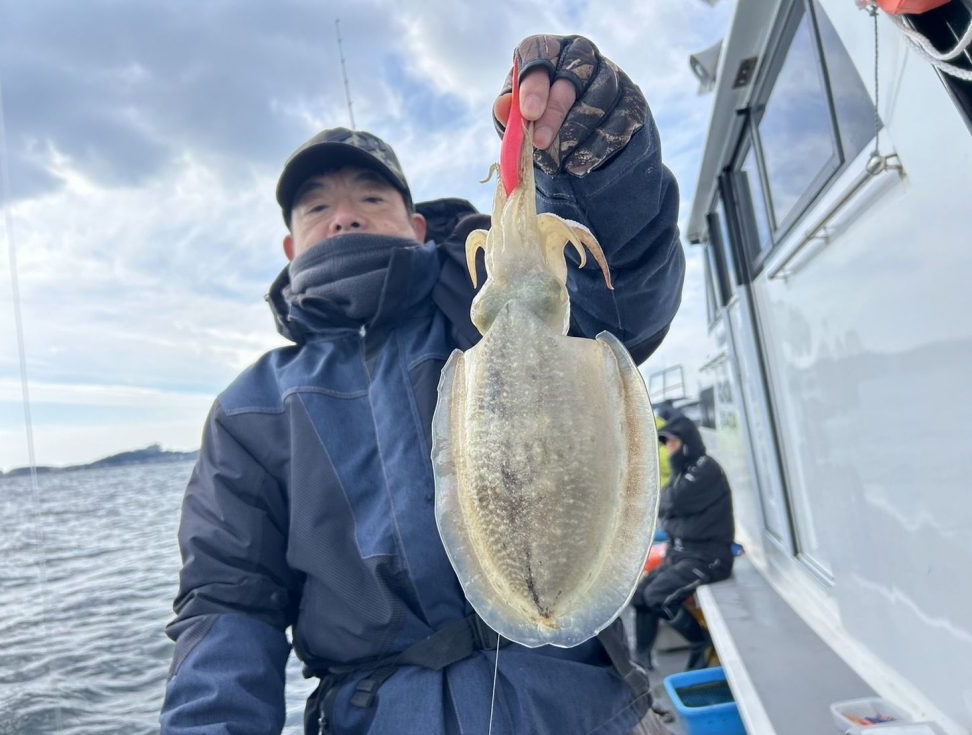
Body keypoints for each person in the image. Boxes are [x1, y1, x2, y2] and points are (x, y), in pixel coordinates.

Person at [161, 34, 684, 735]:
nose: (343, 215)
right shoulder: (251, 408)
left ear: (414, 226)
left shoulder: (475, 313)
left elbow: (617, 297)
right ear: (290, 247)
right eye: (316, 207)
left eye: (370, 195)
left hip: (576, 703)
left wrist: (598, 167)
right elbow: (228, 603)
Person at [632, 414, 735, 672]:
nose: (670, 449)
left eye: (674, 443)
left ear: (688, 441)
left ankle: (701, 642)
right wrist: (673, 518)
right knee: (641, 595)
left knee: (658, 596)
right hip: (682, 554)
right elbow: (665, 508)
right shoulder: (682, 473)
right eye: (667, 444)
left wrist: (672, 517)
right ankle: (640, 661)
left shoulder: (705, 468)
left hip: (709, 558)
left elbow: (672, 503)